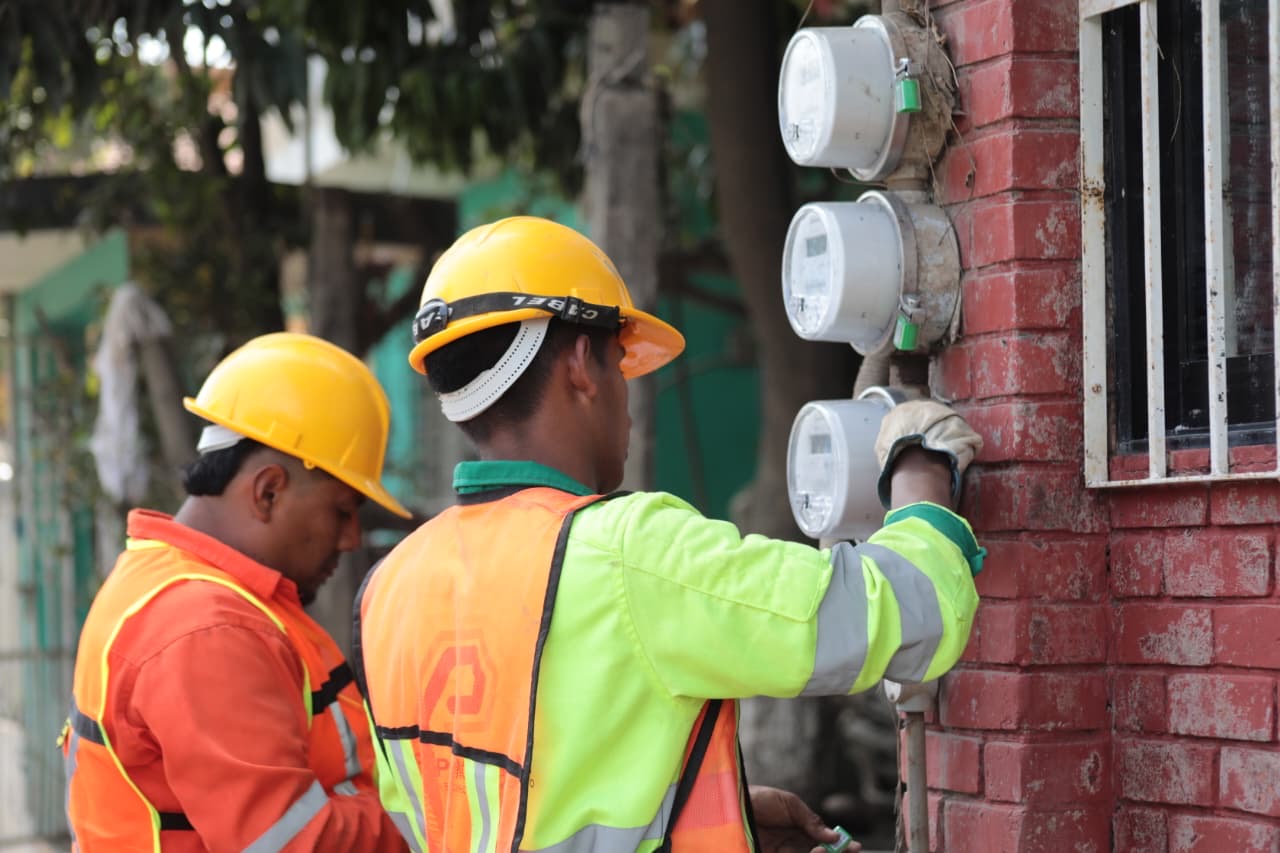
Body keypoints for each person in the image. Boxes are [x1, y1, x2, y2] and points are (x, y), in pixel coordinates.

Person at [354, 217, 984, 852]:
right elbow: (910, 611)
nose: (626, 401)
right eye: (619, 365)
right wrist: (920, 467)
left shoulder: (390, 587)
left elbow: (481, 806)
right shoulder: (627, 553)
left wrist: (717, 814)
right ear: (579, 364)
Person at [62, 332, 412, 851]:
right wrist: (431, 817)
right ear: (268, 491)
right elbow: (296, 844)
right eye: (342, 511)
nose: (351, 538)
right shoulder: (206, 627)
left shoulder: (166, 583)